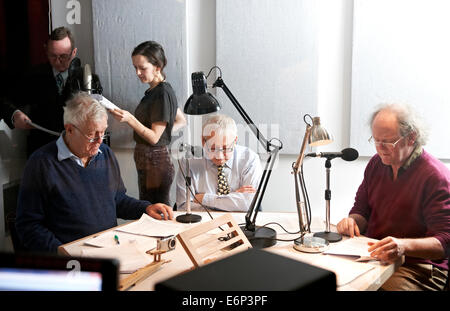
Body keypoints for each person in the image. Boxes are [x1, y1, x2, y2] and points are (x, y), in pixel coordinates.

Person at [15, 92, 173, 253]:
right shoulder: (41, 163)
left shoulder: (105, 153)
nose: (99, 141)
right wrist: (60, 252)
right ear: (69, 129)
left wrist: (146, 208)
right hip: (70, 262)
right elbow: (28, 226)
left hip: (109, 250)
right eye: (91, 135)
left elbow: (117, 201)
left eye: (103, 132)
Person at [336, 103, 450, 291]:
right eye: (376, 140)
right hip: (374, 257)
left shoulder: (435, 176)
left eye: (388, 142)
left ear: (411, 137)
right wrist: (352, 221)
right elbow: (361, 209)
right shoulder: (376, 164)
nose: (380, 148)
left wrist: (403, 246)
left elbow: (445, 241)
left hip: (419, 267)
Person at [3, 26, 102, 157]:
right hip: (41, 151)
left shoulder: (88, 78)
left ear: (74, 53)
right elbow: (4, 100)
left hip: (76, 152)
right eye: (52, 56)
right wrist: (14, 114)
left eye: (63, 56)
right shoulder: (32, 76)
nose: (57, 61)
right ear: (46, 50)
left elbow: (96, 118)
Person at [110, 41, 186, 206]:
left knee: (155, 214)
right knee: (151, 210)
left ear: (157, 67)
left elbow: (153, 138)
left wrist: (130, 119)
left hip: (155, 163)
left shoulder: (163, 93)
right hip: (150, 161)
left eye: (142, 68)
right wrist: (165, 133)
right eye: (135, 67)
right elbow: (181, 120)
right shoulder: (157, 91)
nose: (137, 72)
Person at [176, 114, 263, 212]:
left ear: (235, 141)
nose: (219, 157)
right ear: (203, 141)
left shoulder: (249, 159)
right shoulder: (189, 162)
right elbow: (183, 207)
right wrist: (233, 199)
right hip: (205, 225)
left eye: (226, 148)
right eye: (212, 148)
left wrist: (204, 199)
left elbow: (249, 203)